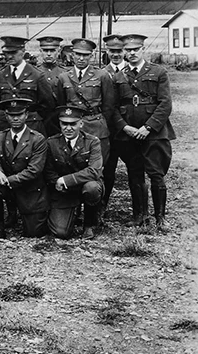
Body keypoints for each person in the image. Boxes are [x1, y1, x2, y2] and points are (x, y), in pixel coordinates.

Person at [112, 33, 175, 229]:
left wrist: (148, 127)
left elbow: (165, 104)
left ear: (143, 50)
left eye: (135, 50)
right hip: (130, 134)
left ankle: (160, 218)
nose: (131, 53)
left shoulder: (158, 72)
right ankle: (139, 216)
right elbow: (112, 107)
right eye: (127, 50)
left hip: (153, 133)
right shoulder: (118, 76)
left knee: (156, 174)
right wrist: (125, 127)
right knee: (135, 174)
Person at [55, 38, 115, 216]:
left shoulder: (102, 75)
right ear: (71, 55)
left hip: (96, 126)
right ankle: (73, 209)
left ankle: (96, 210)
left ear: (92, 55)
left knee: (97, 171)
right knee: (72, 167)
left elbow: (109, 106)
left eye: (85, 55)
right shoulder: (64, 77)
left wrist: (102, 126)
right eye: (78, 54)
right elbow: (61, 105)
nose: (81, 58)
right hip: (72, 128)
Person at [0, 99, 49, 239]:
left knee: (34, 233)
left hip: (29, 189)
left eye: (19, 114)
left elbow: (34, 170)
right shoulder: (0, 137)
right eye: (11, 115)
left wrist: (5, 179)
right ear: (6, 116)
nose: (15, 118)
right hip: (8, 187)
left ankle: (25, 212)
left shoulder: (37, 139)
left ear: (26, 115)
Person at [44, 105, 103, 239]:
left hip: (85, 186)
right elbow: (49, 171)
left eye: (73, 124)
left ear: (81, 124)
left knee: (91, 188)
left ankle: (89, 224)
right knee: (61, 232)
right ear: (59, 124)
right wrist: (57, 183)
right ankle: (72, 212)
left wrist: (66, 180)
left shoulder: (92, 142)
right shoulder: (51, 143)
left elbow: (94, 171)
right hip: (64, 191)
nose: (68, 128)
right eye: (64, 124)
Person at [0, 35, 55, 136]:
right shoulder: (0, 76)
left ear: (23, 51)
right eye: (7, 53)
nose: (10, 56)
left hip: (31, 127)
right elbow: (0, 103)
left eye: (14, 52)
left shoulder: (37, 75)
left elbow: (48, 106)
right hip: (7, 128)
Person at [100, 34, 127, 214]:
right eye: (112, 51)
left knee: (134, 170)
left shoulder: (131, 71)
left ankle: (140, 212)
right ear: (107, 52)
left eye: (119, 51)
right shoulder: (102, 73)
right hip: (108, 129)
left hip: (127, 128)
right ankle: (102, 206)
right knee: (107, 170)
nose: (116, 54)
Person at [36, 36, 66, 136]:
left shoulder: (65, 73)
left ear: (58, 51)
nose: (48, 54)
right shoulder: (34, 73)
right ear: (40, 51)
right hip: (40, 121)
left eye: (52, 50)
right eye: (45, 50)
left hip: (59, 120)